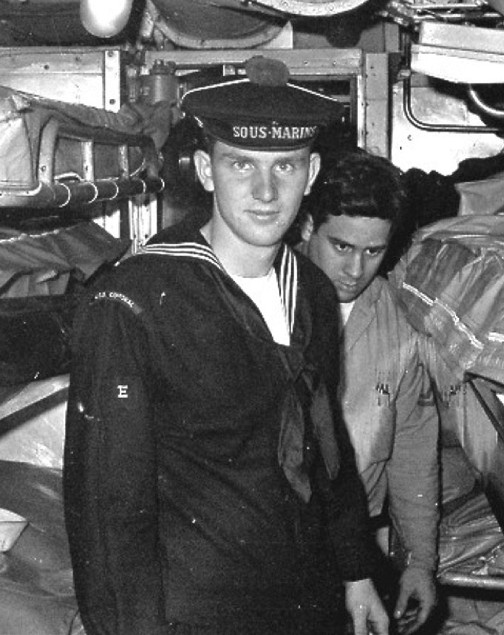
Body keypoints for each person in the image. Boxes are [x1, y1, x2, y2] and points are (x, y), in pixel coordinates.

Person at [63, 56, 389, 635]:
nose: (266, 191)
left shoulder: (311, 290)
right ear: (205, 171)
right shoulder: (134, 300)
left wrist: (356, 570)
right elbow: (109, 508)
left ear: (311, 173)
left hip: (305, 603)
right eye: (241, 164)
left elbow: (324, 443)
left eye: (285, 165)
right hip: (198, 615)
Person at [298, 149, 440, 635]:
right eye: (341, 246)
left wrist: (419, 562)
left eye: (373, 252)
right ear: (307, 228)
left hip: (357, 548)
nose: (356, 270)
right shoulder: (266, 305)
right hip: (271, 551)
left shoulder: (399, 325)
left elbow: (413, 453)